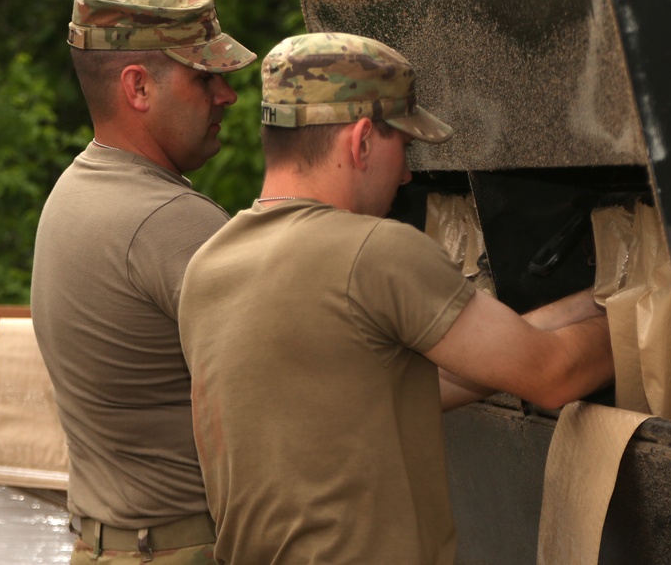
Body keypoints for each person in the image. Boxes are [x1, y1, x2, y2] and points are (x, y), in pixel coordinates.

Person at [178, 32, 615, 564]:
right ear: (361, 140)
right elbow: (553, 375)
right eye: (403, 145)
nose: (407, 173)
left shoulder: (209, 267)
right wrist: (654, 310)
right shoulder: (373, 252)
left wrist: (598, 301)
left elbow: (419, 383)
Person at [31, 0, 257, 563]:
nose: (226, 95)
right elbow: (320, 381)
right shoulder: (167, 222)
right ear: (138, 88)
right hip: (181, 548)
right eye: (204, 77)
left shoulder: (75, 190)